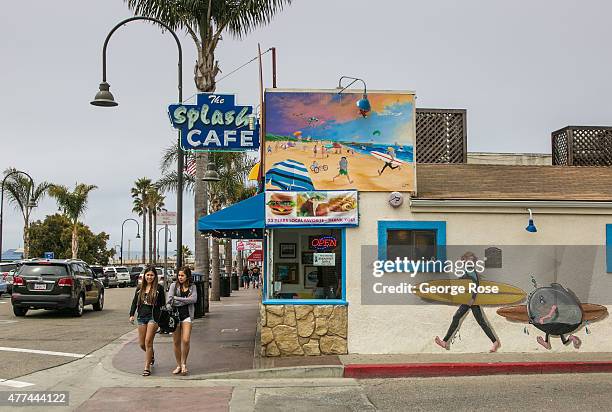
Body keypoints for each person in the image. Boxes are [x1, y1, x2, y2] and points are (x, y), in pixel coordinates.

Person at [434, 252, 501, 353]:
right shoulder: (467, 269)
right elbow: (464, 282)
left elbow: (476, 283)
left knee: (473, 320)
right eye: (466, 259)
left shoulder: (470, 269)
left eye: (469, 259)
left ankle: (495, 342)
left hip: (471, 300)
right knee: (476, 321)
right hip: (467, 299)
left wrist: (473, 299)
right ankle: (445, 342)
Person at [129, 266, 166, 376]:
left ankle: (147, 367)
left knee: (148, 342)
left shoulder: (159, 288)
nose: (149, 277)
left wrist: (160, 318)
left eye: (152, 275)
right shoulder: (139, 288)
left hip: (153, 318)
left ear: (155, 277)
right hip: (141, 317)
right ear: (144, 276)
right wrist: (131, 315)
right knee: (141, 344)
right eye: (148, 275)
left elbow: (162, 305)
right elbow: (134, 302)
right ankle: (151, 355)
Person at [167, 266, 198, 376]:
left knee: (185, 340)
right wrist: (185, 301)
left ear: (187, 276)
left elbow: (194, 299)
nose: (180, 277)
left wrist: (178, 298)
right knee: (176, 342)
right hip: (175, 317)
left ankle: (184, 363)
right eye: (179, 275)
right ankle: (179, 365)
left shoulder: (192, 287)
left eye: (182, 275)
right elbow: (169, 300)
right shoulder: (173, 286)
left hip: (187, 316)